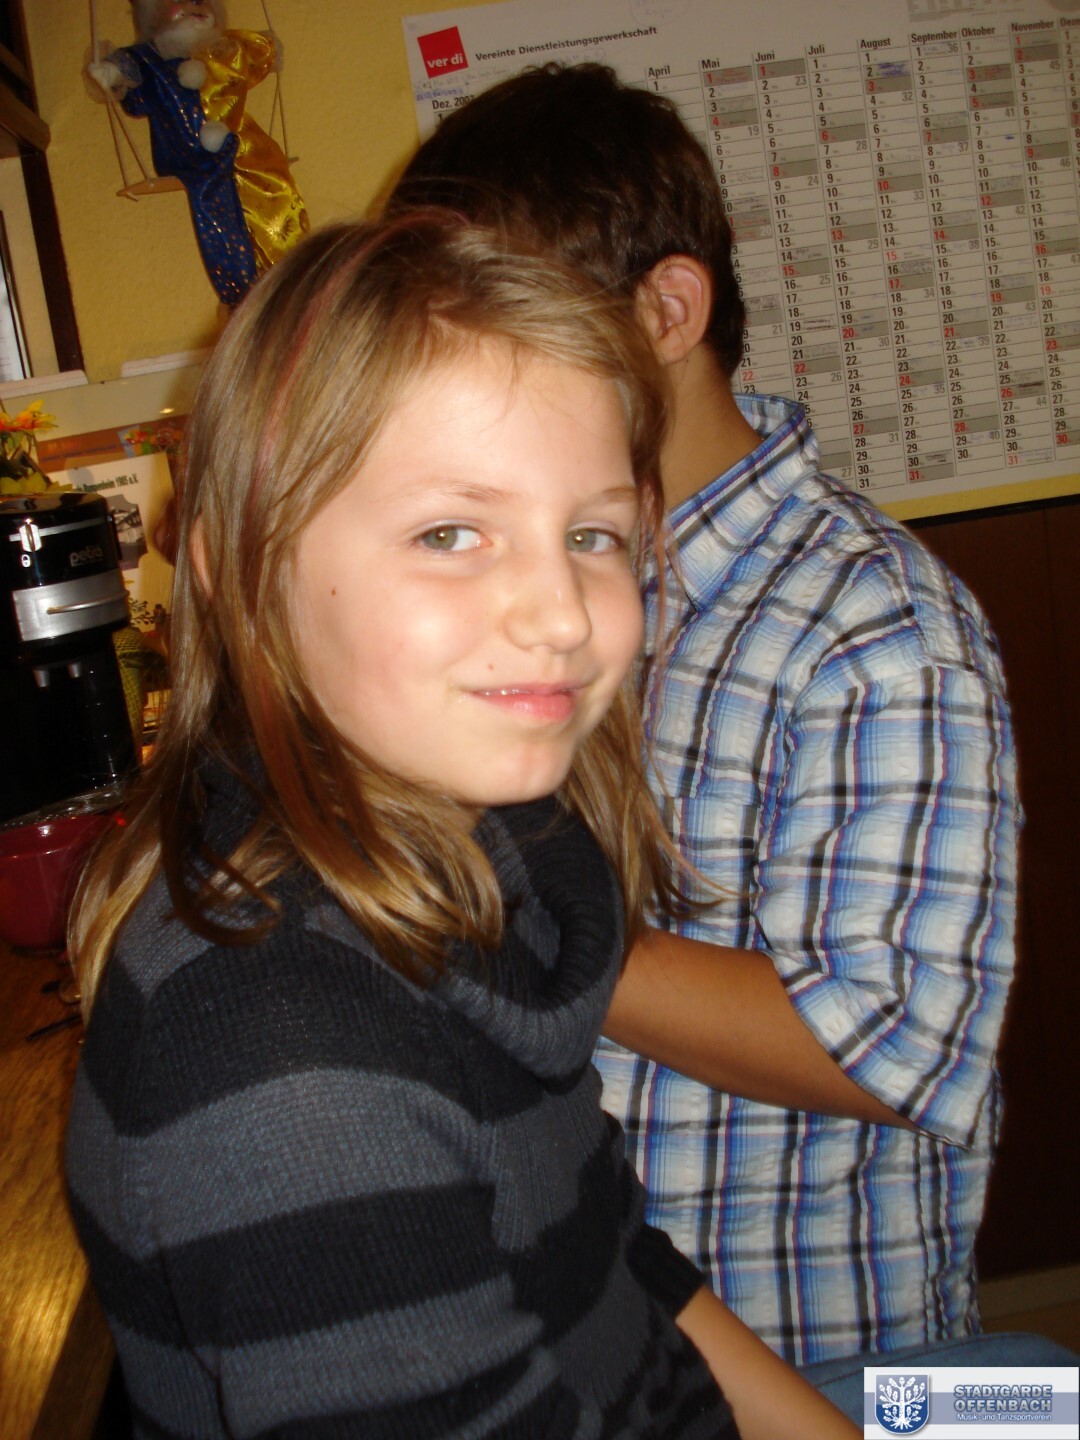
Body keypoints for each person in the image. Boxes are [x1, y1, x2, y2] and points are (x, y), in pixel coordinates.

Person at [65, 212, 862, 1439]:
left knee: (1035, 1394)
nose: (562, 613)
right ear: (239, 572)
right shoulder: (287, 1068)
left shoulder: (479, 849)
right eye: (450, 533)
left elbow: (617, 1260)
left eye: (592, 535)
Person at [389, 65, 1025, 1372]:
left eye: (514, 328)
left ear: (667, 311)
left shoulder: (874, 627)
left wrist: (502, 924)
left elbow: (890, 1046)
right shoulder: (554, 588)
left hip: (816, 1356)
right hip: (594, 1318)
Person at [87, 0, 308, 305]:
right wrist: (110, 73)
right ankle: (243, 290)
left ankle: (291, 271)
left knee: (275, 194)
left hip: (243, 146)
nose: (195, 5)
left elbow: (257, 51)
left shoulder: (227, 49)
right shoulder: (150, 60)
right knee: (217, 209)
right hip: (188, 157)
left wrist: (269, 47)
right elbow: (128, 75)